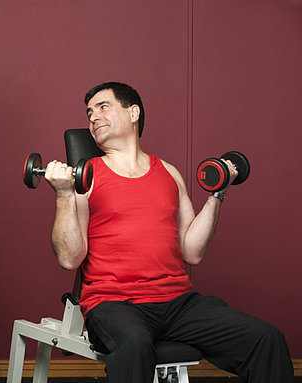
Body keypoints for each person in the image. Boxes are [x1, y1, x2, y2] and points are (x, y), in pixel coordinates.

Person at [44, 82, 293, 383]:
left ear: (133, 112)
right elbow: (69, 259)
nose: (93, 116)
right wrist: (63, 195)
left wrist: (218, 193)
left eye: (103, 106)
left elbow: (192, 251)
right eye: (89, 112)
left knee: (266, 338)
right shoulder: (87, 177)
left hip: (178, 302)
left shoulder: (169, 173)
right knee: (134, 343)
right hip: (115, 302)